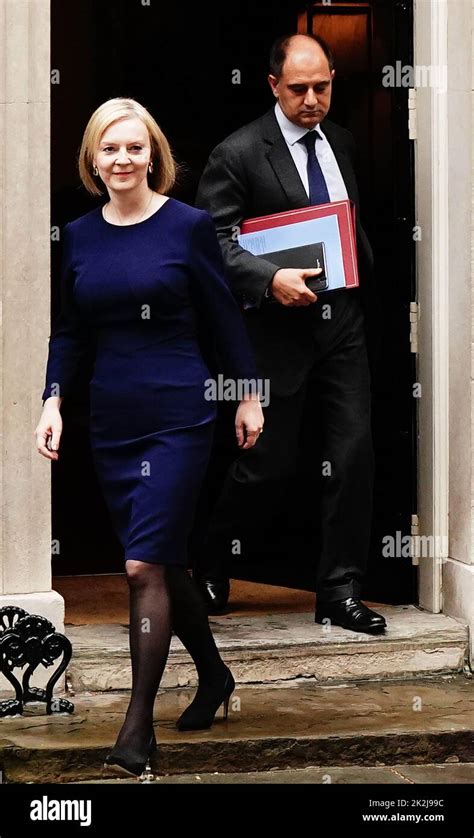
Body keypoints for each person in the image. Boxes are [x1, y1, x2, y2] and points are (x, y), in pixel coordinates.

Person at [34, 97, 264, 780]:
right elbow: (70, 328)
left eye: (135, 147)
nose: (123, 159)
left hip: (179, 412)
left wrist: (248, 394)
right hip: (112, 417)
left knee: (139, 568)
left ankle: (136, 733)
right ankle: (216, 676)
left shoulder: (188, 226)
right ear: (93, 159)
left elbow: (224, 315)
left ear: (154, 155)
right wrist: (53, 401)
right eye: (110, 148)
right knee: (158, 558)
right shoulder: (77, 235)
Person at [193, 33, 386, 635]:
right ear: (273, 85)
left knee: (352, 454)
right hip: (275, 333)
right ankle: (205, 563)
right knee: (265, 465)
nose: (311, 100)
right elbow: (212, 245)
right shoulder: (239, 152)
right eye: (298, 89)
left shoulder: (344, 143)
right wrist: (269, 277)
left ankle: (339, 591)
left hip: (343, 324)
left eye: (322, 87)